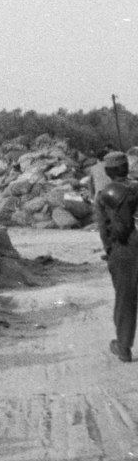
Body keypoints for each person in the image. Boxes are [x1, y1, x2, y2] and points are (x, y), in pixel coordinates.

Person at [95, 152, 138, 363]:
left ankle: (123, 347)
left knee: (125, 300)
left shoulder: (104, 195)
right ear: (127, 167)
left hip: (124, 250)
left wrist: (110, 252)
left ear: (107, 172)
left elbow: (104, 229)